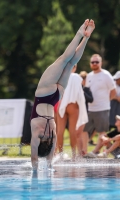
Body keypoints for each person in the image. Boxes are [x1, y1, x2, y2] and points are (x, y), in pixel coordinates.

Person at [30, 19, 95, 171]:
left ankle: (86, 38)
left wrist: (47, 163)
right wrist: (35, 165)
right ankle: (80, 33)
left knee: (71, 64)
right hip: (43, 94)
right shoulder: (36, 133)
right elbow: (34, 157)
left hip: (56, 96)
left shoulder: (51, 136)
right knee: (64, 59)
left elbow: (49, 156)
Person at [83, 54, 116, 158]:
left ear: (101, 63)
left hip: (102, 108)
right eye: (92, 62)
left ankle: (96, 152)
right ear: (90, 64)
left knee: (101, 131)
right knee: (84, 130)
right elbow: (87, 92)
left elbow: (113, 91)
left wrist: (106, 101)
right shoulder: (89, 76)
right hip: (90, 108)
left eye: (96, 62)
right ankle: (83, 151)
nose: (94, 64)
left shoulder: (106, 75)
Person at [56, 65, 88, 159]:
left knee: (60, 131)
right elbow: (79, 93)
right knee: (72, 131)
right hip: (72, 106)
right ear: (75, 67)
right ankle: (74, 155)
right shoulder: (76, 77)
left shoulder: (60, 76)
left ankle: (60, 154)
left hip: (61, 104)